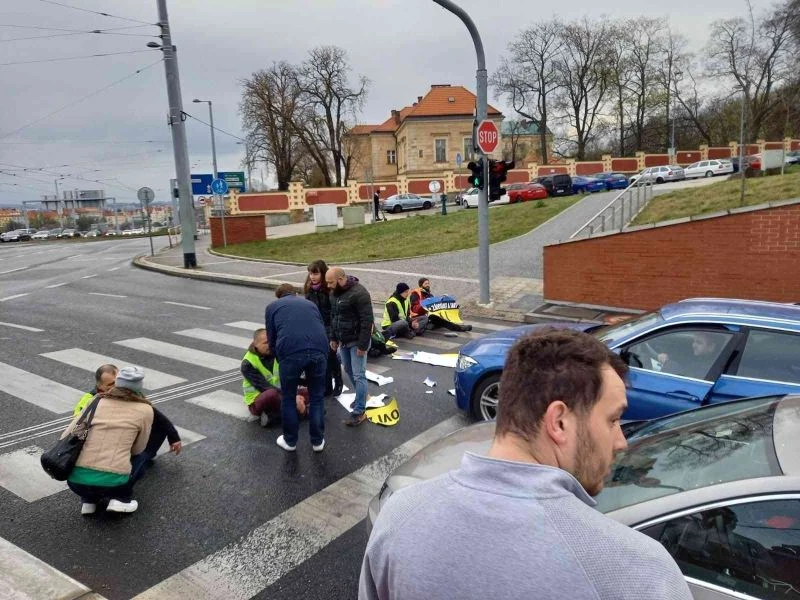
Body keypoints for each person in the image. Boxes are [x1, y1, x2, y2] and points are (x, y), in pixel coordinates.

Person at [359, 328, 692, 600]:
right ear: (559, 422)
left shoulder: (399, 518)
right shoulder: (640, 573)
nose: (621, 441)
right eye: (613, 420)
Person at [63, 366, 154, 515]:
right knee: (142, 457)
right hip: (113, 482)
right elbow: (138, 448)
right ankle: (120, 499)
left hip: (75, 482)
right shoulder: (145, 409)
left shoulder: (95, 401)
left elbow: (68, 435)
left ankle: (88, 501)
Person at [74, 364, 182, 483]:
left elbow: (158, 417)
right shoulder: (90, 401)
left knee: (158, 426)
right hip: (98, 443)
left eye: (118, 382)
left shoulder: (127, 393)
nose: (117, 387)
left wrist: (174, 437)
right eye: (111, 384)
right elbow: (77, 430)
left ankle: (145, 457)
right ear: (99, 386)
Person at [265, 283, 329, 452]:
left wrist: (281, 359)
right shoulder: (310, 304)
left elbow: (271, 339)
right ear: (295, 293)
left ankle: (290, 441)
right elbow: (320, 327)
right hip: (319, 350)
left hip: (291, 352)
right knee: (317, 397)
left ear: (279, 297)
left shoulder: (272, 307)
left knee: (288, 397)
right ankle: (317, 442)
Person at [326, 266, 373, 427]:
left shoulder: (359, 293)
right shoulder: (334, 293)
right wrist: (333, 337)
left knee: (359, 374)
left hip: (357, 341)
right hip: (344, 340)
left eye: (331, 282)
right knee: (348, 369)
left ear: (340, 279)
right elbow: (334, 316)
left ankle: (360, 411)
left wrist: (363, 345)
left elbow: (367, 321)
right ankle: (362, 395)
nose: (328, 286)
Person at [241, 327, 309, 427]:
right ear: (255, 344)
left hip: (280, 394)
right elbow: (264, 387)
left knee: (311, 391)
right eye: (266, 343)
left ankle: (274, 417)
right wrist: (293, 399)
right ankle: (303, 413)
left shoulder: (276, 352)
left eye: (271, 341)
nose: (270, 345)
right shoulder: (247, 363)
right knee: (272, 394)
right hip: (259, 400)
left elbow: (288, 375)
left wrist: (307, 383)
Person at [305, 259, 344, 397]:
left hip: (329, 326)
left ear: (322, 273)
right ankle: (327, 386)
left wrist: (334, 333)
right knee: (322, 357)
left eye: (315, 273)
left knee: (330, 356)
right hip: (316, 327)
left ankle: (338, 382)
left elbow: (335, 311)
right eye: (310, 273)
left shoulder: (329, 290)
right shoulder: (309, 289)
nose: (312, 277)